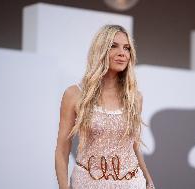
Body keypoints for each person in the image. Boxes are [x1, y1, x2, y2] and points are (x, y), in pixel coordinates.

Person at [55, 24, 155, 189]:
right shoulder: (74, 94)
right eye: (113, 46)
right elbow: (62, 150)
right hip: (87, 183)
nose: (122, 53)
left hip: (132, 183)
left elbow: (134, 146)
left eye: (127, 48)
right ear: (100, 50)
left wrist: (148, 180)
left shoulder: (135, 97)